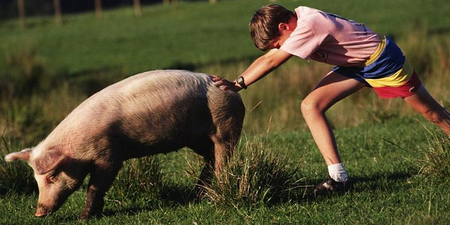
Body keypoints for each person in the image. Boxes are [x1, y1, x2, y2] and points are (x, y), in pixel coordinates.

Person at [212, 4, 450, 194]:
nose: (280, 48)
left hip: (382, 60)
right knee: (311, 105)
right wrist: (238, 81)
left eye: (278, 44)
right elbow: (270, 56)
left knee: (432, 113)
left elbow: (273, 61)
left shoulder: (308, 25)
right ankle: (338, 178)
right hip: (355, 66)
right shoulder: (299, 19)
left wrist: (239, 84)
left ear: (284, 26)